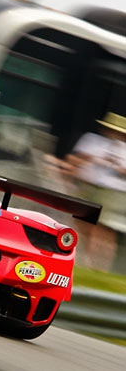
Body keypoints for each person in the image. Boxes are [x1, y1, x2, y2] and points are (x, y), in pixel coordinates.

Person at [67, 112, 126, 271]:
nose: (115, 134)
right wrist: (90, 159)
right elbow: (74, 160)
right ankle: (85, 262)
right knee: (82, 225)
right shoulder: (92, 140)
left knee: (104, 231)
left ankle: (99, 267)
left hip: (112, 193)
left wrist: (118, 167)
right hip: (88, 187)